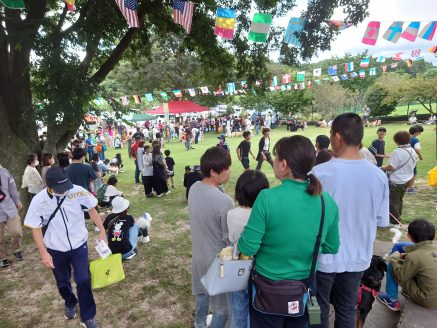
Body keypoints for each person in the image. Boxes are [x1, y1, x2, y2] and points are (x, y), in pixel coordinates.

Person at [238, 135, 340, 328]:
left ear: (283, 164)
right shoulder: (327, 202)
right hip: (304, 287)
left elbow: (248, 247)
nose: (273, 161)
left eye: (275, 158)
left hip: (266, 290)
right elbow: (332, 246)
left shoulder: (267, 198)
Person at [312, 113, 389, 328]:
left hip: (323, 257)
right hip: (358, 256)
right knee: (346, 309)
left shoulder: (318, 173)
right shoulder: (378, 175)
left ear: (337, 137)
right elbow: (382, 220)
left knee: (318, 308)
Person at [24, 167, 106, 328]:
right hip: (55, 249)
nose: (63, 191)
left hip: (78, 245)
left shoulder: (77, 191)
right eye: (59, 189)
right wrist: (43, 253)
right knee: (62, 282)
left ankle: (88, 316)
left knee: (83, 279)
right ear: (49, 185)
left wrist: (102, 230)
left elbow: (92, 209)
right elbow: (35, 228)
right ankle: (69, 302)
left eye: (65, 187)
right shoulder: (39, 201)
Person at [188, 147, 234, 328]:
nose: (230, 171)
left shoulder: (194, 188)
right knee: (222, 309)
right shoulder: (225, 202)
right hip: (217, 261)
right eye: (227, 168)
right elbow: (228, 238)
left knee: (202, 294)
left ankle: (199, 323)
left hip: (198, 256)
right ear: (214, 172)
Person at [227, 170, 269, 328]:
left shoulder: (231, 214)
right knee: (257, 310)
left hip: (238, 269)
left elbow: (232, 239)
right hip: (261, 270)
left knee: (238, 310)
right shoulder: (265, 214)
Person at [377, 219, 437, 311]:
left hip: (428, 300)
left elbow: (401, 276)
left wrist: (394, 257)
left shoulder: (414, 257)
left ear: (409, 235)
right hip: (432, 290)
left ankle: (392, 299)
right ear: (433, 237)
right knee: (399, 246)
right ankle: (406, 290)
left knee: (392, 264)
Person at [381, 131, 417, 224]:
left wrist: (381, 167)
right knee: (399, 199)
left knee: (393, 202)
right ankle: (398, 216)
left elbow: (391, 167)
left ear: (396, 141)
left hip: (396, 181)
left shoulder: (397, 152)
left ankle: (394, 221)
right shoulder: (412, 150)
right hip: (407, 179)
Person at [0, 167, 23, 268]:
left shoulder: (4, 171)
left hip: (9, 207)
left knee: (17, 231)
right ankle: (2, 257)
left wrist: (17, 200)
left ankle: (16, 249)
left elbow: (12, 188)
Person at [406, 125, 424, 193]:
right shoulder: (416, 140)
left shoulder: (405, 138)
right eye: (420, 132)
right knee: (414, 173)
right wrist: (420, 156)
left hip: (404, 158)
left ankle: (407, 186)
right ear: (416, 132)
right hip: (412, 159)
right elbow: (416, 149)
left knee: (407, 172)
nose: (420, 134)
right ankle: (409, 188)